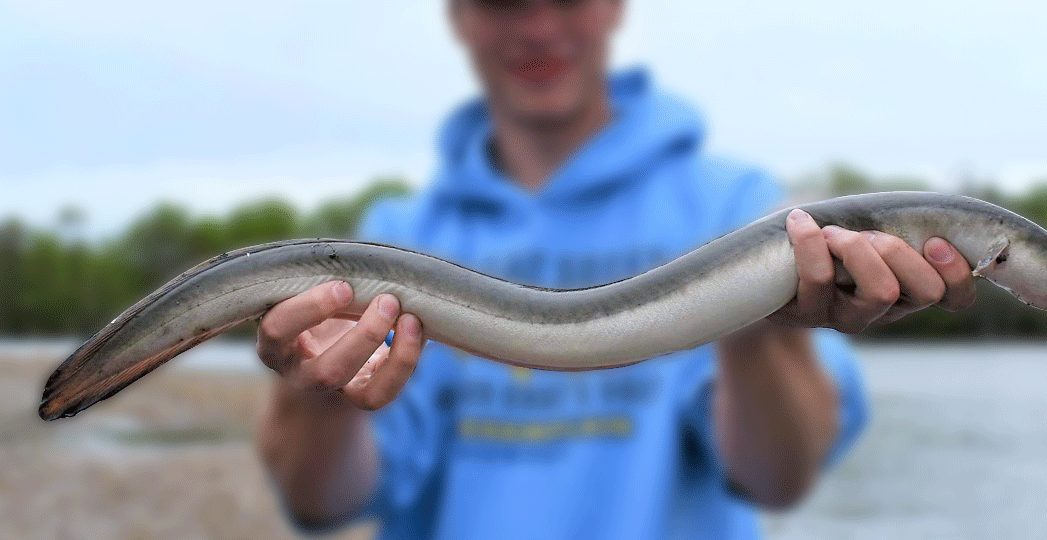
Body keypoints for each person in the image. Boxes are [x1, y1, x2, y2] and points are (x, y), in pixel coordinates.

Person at [255, 1, 976, 539]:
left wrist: (758, 324)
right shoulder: (399, 239)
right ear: (460, 17)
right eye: (504, 0)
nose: (538, 26)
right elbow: (321, 504)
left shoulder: (739, 211)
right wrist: (314, 400)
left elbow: (776, 479)